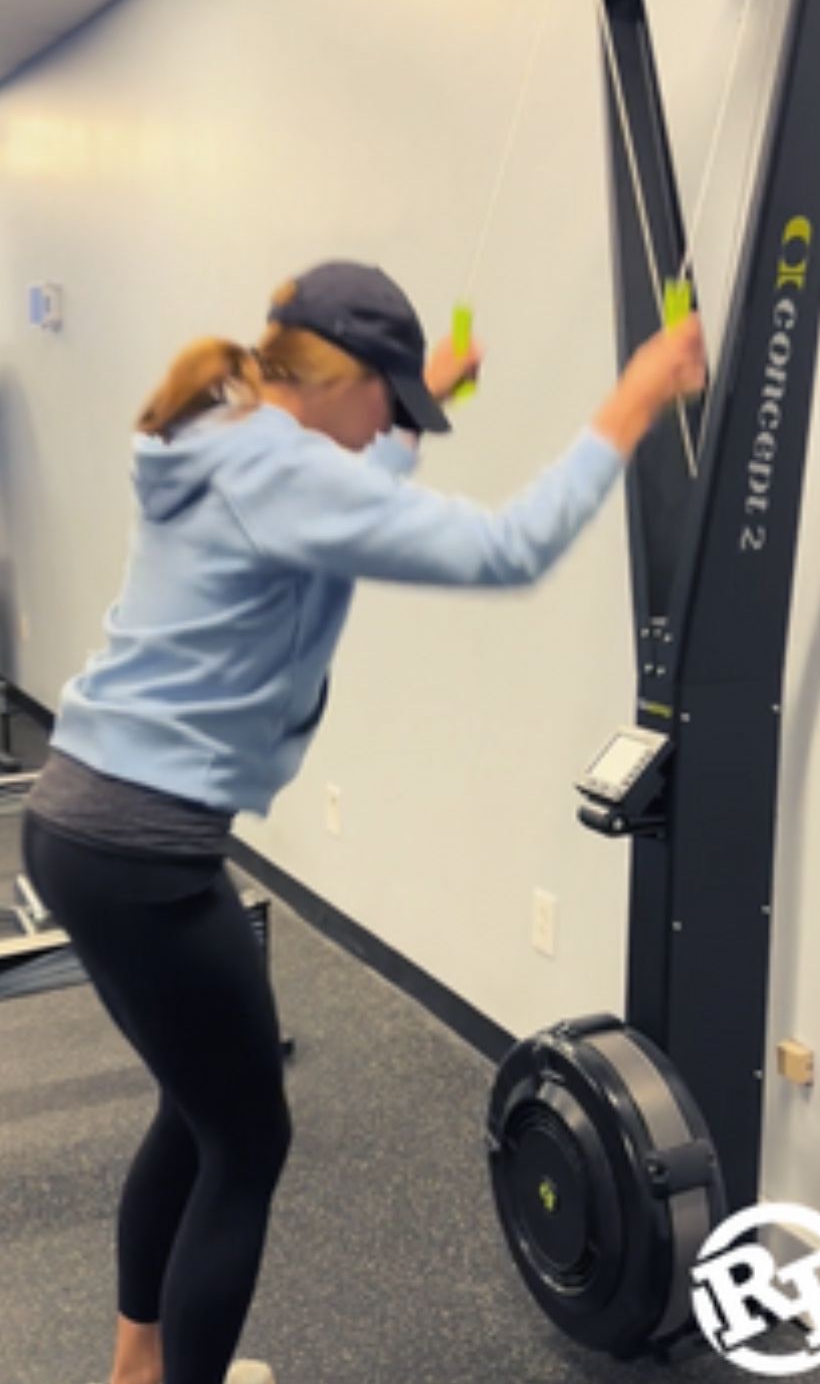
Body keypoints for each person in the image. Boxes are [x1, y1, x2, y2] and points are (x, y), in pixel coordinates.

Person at [22, 259, 706, 1384]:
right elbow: (507, 548)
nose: (392, 430)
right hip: (144, 852)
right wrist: (633, 399)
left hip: (83, 821)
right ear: (344, 382)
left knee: (198, 1112)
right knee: (248, 1141)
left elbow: (341, 484)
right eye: (390, 404)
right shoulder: (285, 468)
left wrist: (417, 399)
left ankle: (135, 1368)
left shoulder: (224, 430)